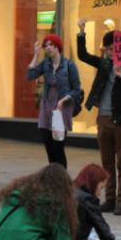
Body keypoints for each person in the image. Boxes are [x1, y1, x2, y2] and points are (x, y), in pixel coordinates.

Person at [76, 19, 121, 215]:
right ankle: (110, 198)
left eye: (114, 49)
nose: (111, 53)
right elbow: (82, 55)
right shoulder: (103, 64)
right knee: (107, 161)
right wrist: (81, 32)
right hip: (103, 117)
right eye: (109, 49)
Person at [26, 34, 82, 169]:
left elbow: (77, 89)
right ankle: (53, 179)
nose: (48, 48)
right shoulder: (46, 64)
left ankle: (62, 180)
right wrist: (36, 54)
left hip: (61, 111)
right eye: (46, 46)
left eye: (51, 45)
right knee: (49, 148)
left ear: (58, 47)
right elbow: (30, 75)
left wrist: (64, 99)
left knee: (58, 148)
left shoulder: (69, 65)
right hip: (46, 110)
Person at [72, 164, 121, 240]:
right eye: (101, 187)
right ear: (93, 183)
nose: (100, 193)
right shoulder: (88, 202)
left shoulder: (66, 191)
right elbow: (106, 235)